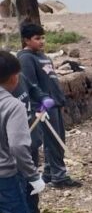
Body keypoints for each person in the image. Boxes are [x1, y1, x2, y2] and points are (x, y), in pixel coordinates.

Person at [0, 51, 59, 213]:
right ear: (14, 77)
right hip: (6, 178)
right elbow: (18, 146)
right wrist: (33, 175)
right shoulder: (11, 105)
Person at [15, 22, 81, 192]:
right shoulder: (26, 58)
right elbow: (30, 85)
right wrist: (39, 106)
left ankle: (50, 173)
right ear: (26, 40)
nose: (42, 41)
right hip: (43, 106)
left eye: (43, 37)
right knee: (53, 141)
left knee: (58, 138)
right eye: (37, 38)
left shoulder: (43, 56)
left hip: (55, 102)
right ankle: (60, 176)